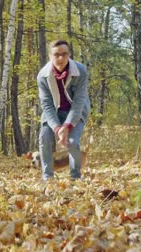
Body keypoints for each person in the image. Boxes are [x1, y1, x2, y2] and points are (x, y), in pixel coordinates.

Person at [37, 40, 91, 180]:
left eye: (64, 54)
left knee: (72, 142)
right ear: (50, 56)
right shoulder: (43, 75)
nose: (60, 58)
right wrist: (57, 128)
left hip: (76, 111)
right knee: (44, 138)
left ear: (69, 55)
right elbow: (47, 104)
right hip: (53, 112)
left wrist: (67, 126)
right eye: (56, 55)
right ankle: (47, 177)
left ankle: (75, 177)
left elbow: (79, 102)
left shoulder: (80, 71)